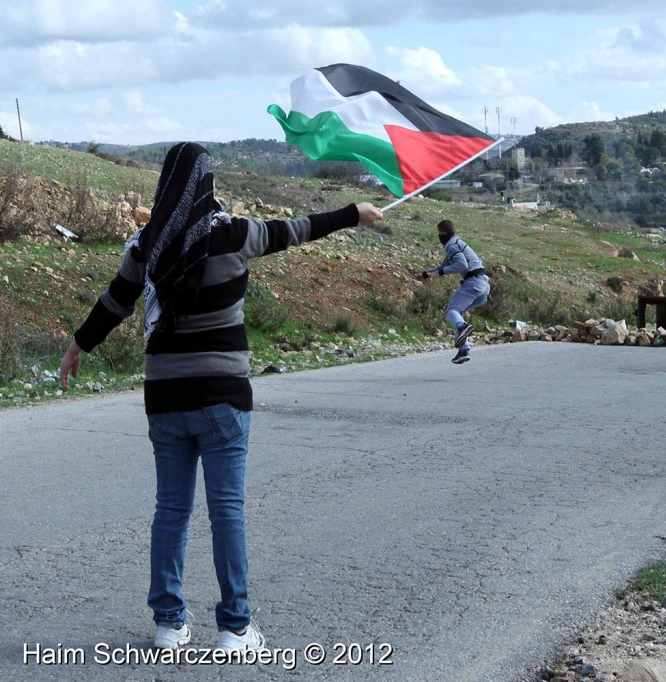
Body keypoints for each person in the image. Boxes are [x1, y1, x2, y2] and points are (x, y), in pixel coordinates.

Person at [59, 142, 384, 652]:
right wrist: (353, 214)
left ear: (166, 183)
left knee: (170, 509)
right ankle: (235, 627)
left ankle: (169, 624)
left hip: (165, 398)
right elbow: (296, 229)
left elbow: (115, 302)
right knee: (226, 510)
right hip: (223, 398)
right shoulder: (234, 233)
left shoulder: (147, 246)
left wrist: (78, 345)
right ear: (207, 182)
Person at [418, 219, 490, 364]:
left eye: (439, 233)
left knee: (452, 311)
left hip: (473, 282)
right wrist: (426, 274)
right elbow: (443, 265)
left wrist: (439, 273)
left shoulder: (452, 246)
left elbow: (460, 264)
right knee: (458, 313)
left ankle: (463, 327)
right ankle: (463, 350)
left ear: (443, 232)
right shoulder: (457, 243)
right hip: (484, 286)